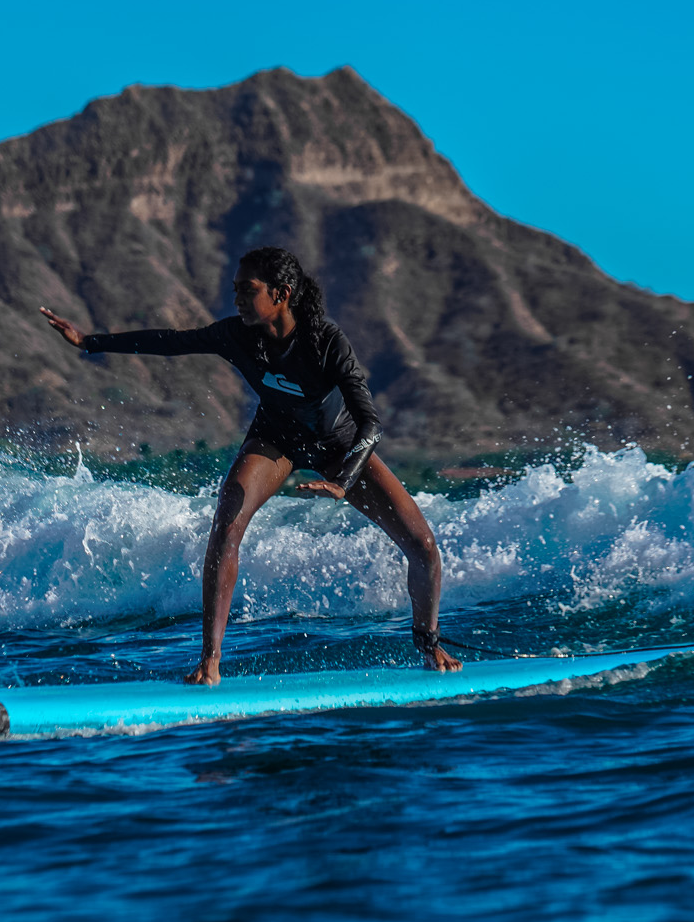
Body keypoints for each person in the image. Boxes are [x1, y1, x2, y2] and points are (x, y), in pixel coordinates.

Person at [40, 247, 462, 686]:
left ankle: (428, 643)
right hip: (275, 438)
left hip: (339, 444)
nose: (237, 298)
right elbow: (171, 342)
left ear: (281, 294)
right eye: (236, 289)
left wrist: (343, 481)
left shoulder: (325, 341)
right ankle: (210, 659)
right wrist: (90, 342)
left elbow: (371, 423)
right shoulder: (236, 336)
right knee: (228, 521)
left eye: (248, 290)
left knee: (423, 546)